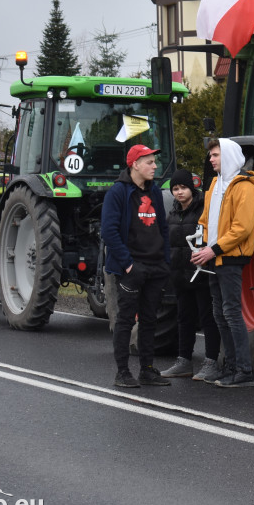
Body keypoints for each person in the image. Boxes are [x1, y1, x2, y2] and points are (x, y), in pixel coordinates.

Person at [101, 144, 172, 388]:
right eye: (149, 162)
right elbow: (109, 231)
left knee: (150, 320)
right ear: (135, 165)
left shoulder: (155, 193)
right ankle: (122, 372)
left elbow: (163, 227)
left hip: (155, 267)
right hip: (131, 267)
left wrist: (165, 261)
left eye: (154, 162)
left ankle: (147, 370)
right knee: (126, 320)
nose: (155, 166)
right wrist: (128, 265)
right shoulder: (118, 192)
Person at [191, 138, 254, 388]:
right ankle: (230, 366)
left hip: (229, 256)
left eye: (216, 155)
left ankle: (244, 370)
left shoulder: (245, 187)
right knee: (220, 313)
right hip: (214, 255)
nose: (211, 159)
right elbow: (206, 219)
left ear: (229, 156)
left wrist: (212, 250)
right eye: (211, 155)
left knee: (230, 311)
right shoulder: (215, 185)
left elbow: (242, 228)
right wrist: (199, 244)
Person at [159, 169, 223, 381]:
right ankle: (184, 361)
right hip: (179, 275)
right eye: (175, 189)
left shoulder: (203, 210)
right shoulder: (173, 214)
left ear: (191, 188)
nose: (179, 192)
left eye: (183, 188)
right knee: (183, 318)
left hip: (201, 274)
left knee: (207, 318)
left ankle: (211, 362)